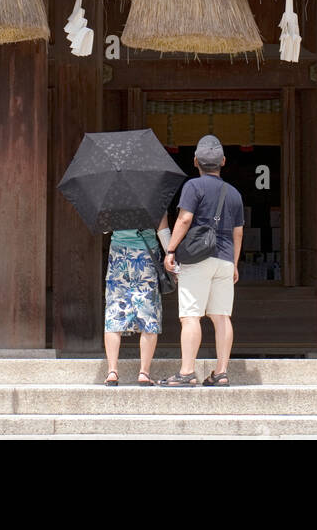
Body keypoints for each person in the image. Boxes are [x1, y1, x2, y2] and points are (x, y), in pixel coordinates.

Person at [160, 135, 244, 387]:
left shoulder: (193, 187)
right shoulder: (234, 193)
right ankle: (221, 372)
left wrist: (171, 250)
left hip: (197, 259)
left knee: (190, 316)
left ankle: (187, 372)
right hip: (225, 259)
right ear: (223, 162)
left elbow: (185, 220)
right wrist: (235, 264)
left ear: (195, 161)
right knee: (221, 317)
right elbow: (238, 232)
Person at [103, 212, 171, 387]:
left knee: (114, 311)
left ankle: (112, 371)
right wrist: (171, 253)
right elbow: (162, 228)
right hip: (146, 255)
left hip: (118, 256)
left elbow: (104, 228)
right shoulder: (155, 194)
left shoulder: (113, 196)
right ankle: (144, 373)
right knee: (148, 311)